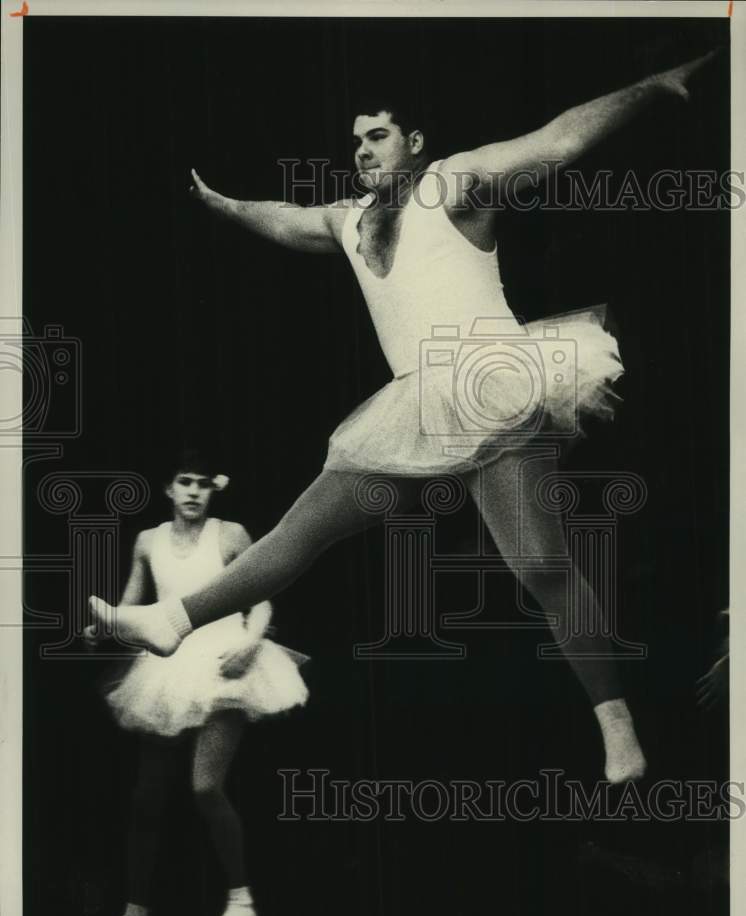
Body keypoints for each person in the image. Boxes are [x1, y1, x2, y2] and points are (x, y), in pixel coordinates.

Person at [89, 51, 717, 785]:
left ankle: (618, 727)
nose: (362, 150)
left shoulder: (457, 182)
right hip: (412, 405)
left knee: (543, 566)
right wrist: (228, 206)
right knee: (301, 532)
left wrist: (648, 87)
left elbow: (558, 140)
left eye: (377, 136)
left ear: (414, 142)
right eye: (355, 140)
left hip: (492, 381)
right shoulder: (349, 217)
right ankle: (172, 620)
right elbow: (285, 220)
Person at [85, 451, 309, 916]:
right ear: (169, 489)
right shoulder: (149, 542)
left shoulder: (230, 535)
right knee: (147, 797)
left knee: (205, 787)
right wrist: (105, 625)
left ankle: (241, 900)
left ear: (214, 491)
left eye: (203, 484)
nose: (193, 492)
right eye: (184, 482)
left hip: (226, 660)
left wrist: (251, 642)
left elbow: (263, 592)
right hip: (167, 667)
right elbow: (131, 604)